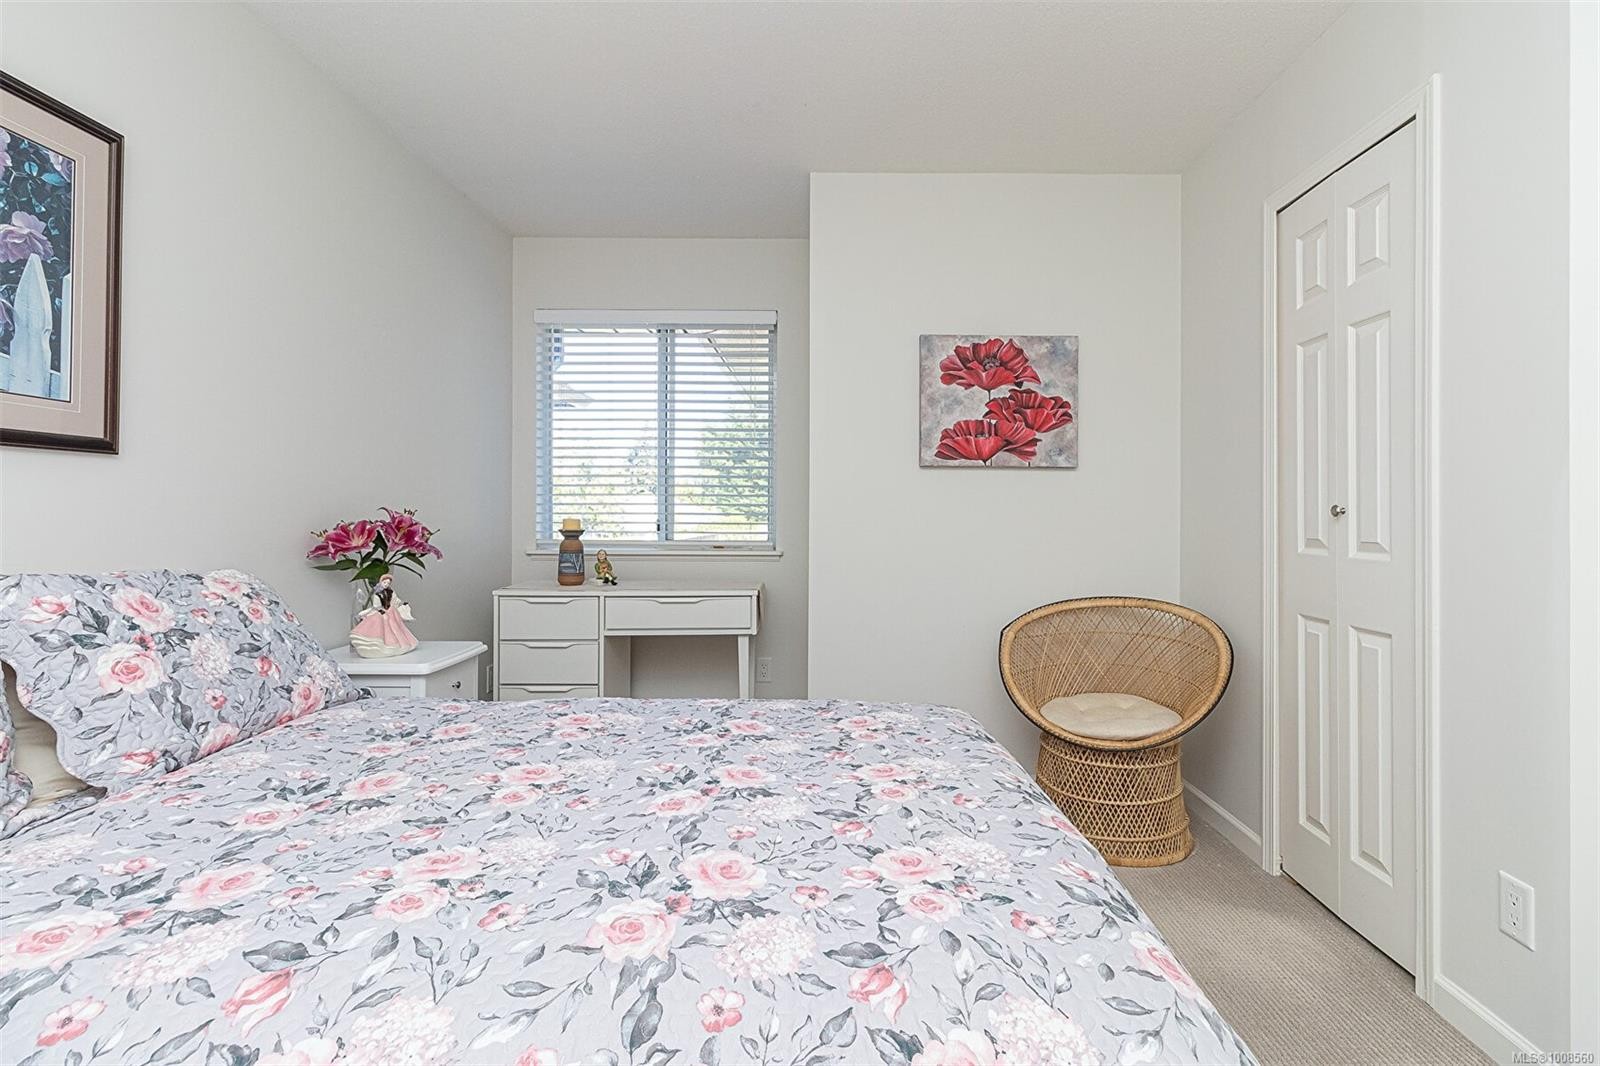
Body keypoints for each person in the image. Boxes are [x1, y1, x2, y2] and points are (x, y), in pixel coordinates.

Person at [349, 574, 418, 656]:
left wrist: (402, 603)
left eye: (388, 583)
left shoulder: (391, 592)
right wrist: (381, 611)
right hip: (382, 611)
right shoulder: (377, 594)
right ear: (381, 582)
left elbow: (395, 600)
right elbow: (376, 605)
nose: (386, 584)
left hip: (391, 611)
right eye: (384, 582)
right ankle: (379, 641)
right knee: (381, 622)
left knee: (396, 626)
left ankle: (397, 643)